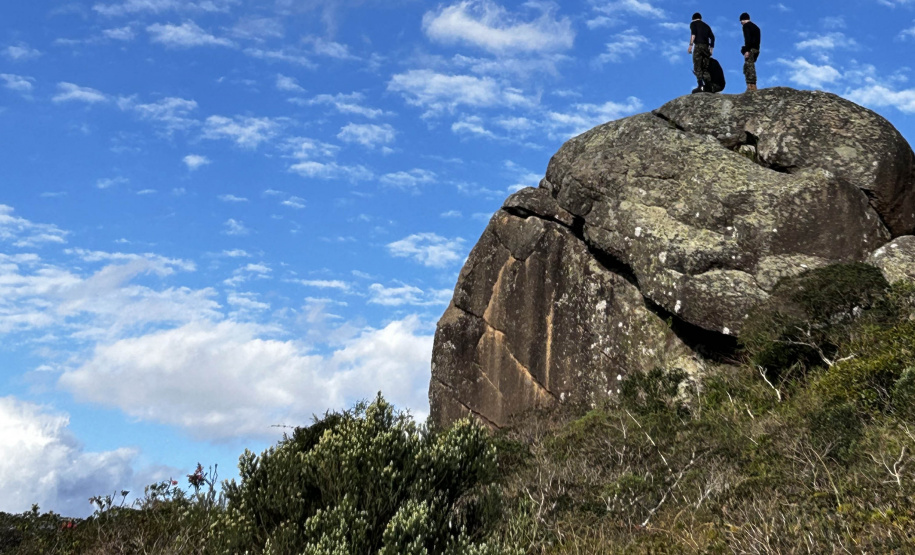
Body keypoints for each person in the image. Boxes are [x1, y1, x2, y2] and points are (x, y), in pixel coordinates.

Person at [688, 12, 715, 93]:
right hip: (706, 47)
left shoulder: (693, 24)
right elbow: (712, 38)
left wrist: (690, 45)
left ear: (693, 18)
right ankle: (709, 86)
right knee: (705, 67)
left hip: (698, 46)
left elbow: (693, 34)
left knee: (697, 66)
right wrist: (711, 49)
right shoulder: (706, 26)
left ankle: (700, 85)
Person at [740, 12, 761, 91]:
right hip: (756, 49)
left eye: (741, 22)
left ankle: (751, 85)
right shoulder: (756, 28)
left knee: (749, 67)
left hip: (751, 49)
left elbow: (747, 39)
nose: (741, 23)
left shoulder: (746, 26)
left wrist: (747, 50)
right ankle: (752, 84)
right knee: (750, 65)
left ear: (743, 20)